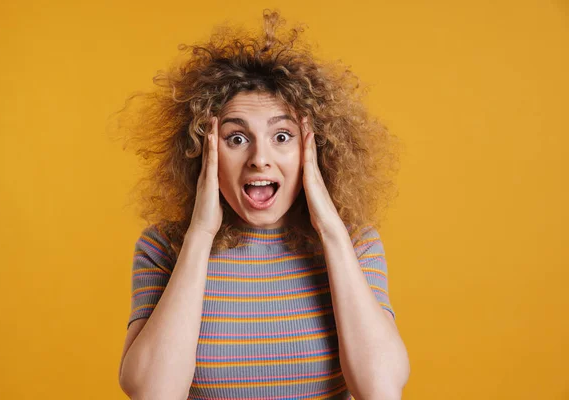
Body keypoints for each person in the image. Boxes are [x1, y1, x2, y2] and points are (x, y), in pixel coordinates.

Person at [116, 9, 410, 399]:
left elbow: (381, 389)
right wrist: (201, 235)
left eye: (282, 137)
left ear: (314, 148)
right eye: (236, 138)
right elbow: (152, 393)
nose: (259, 158)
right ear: (202, 149)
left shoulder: (356, 244)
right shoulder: (163, 247)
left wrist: (332, 234)